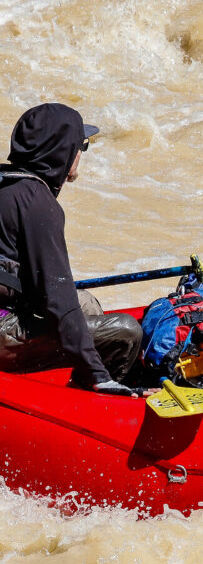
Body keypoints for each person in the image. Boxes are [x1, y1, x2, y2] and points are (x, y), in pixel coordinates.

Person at [0, 103, 145, 395]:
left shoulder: (7, 184)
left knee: (87, 303)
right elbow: (60, 302)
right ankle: (100, 391)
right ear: (63, 151)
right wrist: (97, 374)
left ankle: (89, 378)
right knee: (127, 332)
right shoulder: (38, 204)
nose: (81, 154)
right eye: (82, 146)